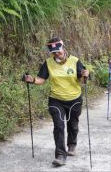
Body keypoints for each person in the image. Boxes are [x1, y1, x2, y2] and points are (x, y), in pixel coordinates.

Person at [23, 37, 89, 166]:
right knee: (58, 126)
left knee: (73, 125)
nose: (56, 54)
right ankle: (60, 155)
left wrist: (85, 75)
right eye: (53, 52)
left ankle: (72, 144)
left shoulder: (75, 61)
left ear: (63, 48)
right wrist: (31, 80)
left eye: (58, 51)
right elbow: (41, 79)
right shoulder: (48, 63)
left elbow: (81, 81)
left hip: (74, 99)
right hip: (56, 99)